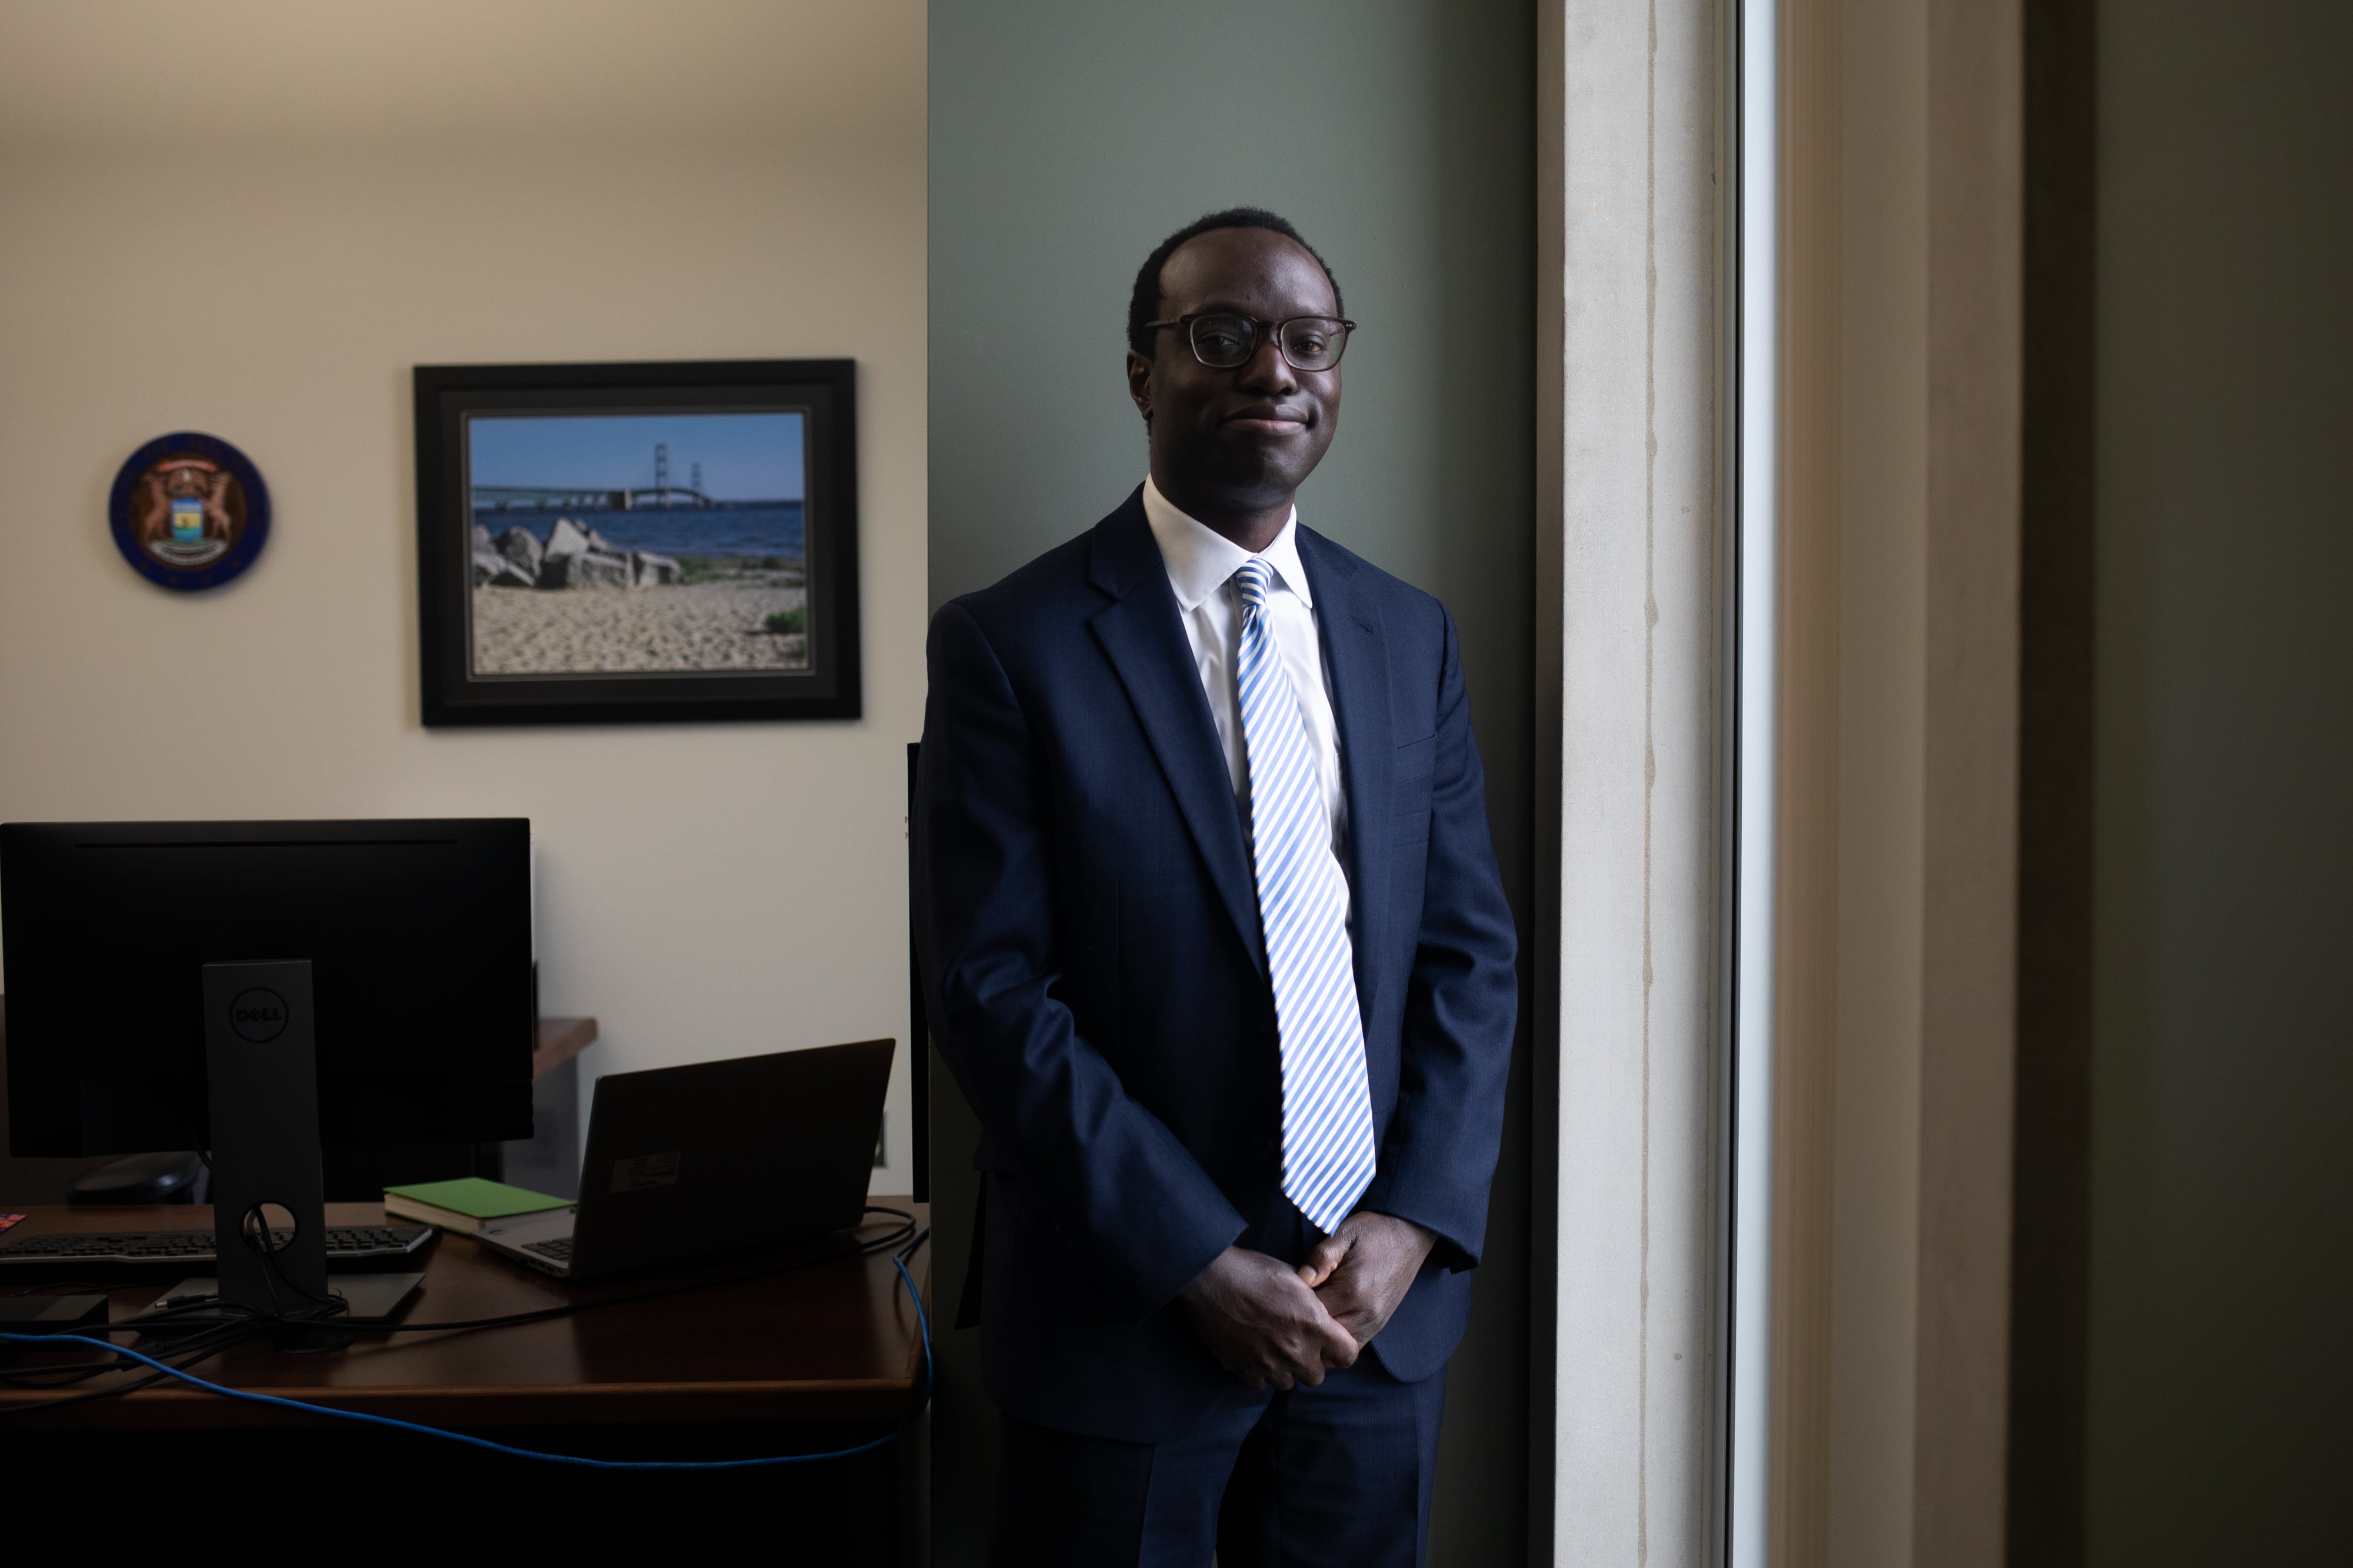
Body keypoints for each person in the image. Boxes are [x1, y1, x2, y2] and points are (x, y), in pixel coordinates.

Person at [913, 207, 1518, 1567]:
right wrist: (1193, 1258)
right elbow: (992, 990)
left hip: (1369, 1325)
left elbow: (1467, 956)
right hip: (1121, 1323)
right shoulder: (1010, 645)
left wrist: (1412, 1220)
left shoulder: (1404, 633)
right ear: (1142, 369)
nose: (1273, 372)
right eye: (1223, 337)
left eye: (1309, 341)